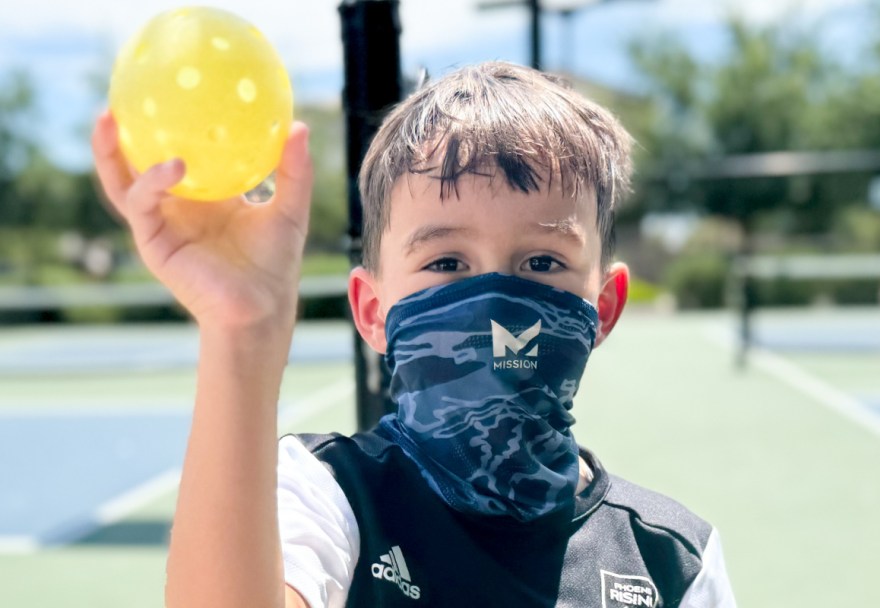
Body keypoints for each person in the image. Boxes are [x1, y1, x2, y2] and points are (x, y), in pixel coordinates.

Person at [93, 61, 736, 608]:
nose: (494, 305)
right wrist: (241, 332)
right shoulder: (329, 497)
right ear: (373, 311)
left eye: (542, 263)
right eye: (445, 264)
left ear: (603, 307)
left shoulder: (672, 560)